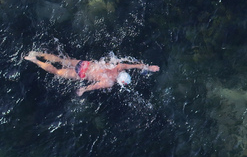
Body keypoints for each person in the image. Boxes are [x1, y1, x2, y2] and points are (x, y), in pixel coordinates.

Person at [24, 51, 159, 96]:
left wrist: (149, 67)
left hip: (85, 64)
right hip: (81, 74)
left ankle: (37, 53)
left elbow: (135, 66)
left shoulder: (119, 66)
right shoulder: (109, 82)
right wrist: (83, 90)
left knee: (62, 60)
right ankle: (34, 60)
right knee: (57, 71)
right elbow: (94, 86)